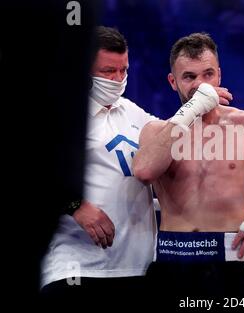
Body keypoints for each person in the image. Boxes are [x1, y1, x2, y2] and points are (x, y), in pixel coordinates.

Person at [133, 32, 244, 295]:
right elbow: (143, 171)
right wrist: (193, 109)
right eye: (189, 77)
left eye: (208, 74)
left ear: (219, 75)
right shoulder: (156, 132)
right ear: (173, 82)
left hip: (231, 265)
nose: (201, 84)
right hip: (172, 264)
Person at [40, 26, 159, 300]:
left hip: (136, 269)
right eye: (108, 71)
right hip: (75, 267)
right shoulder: (62, 113)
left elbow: (175, 137)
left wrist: (230, 119)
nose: (118, 79)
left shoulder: (131, 111)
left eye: (123, 70)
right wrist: (75, 205)